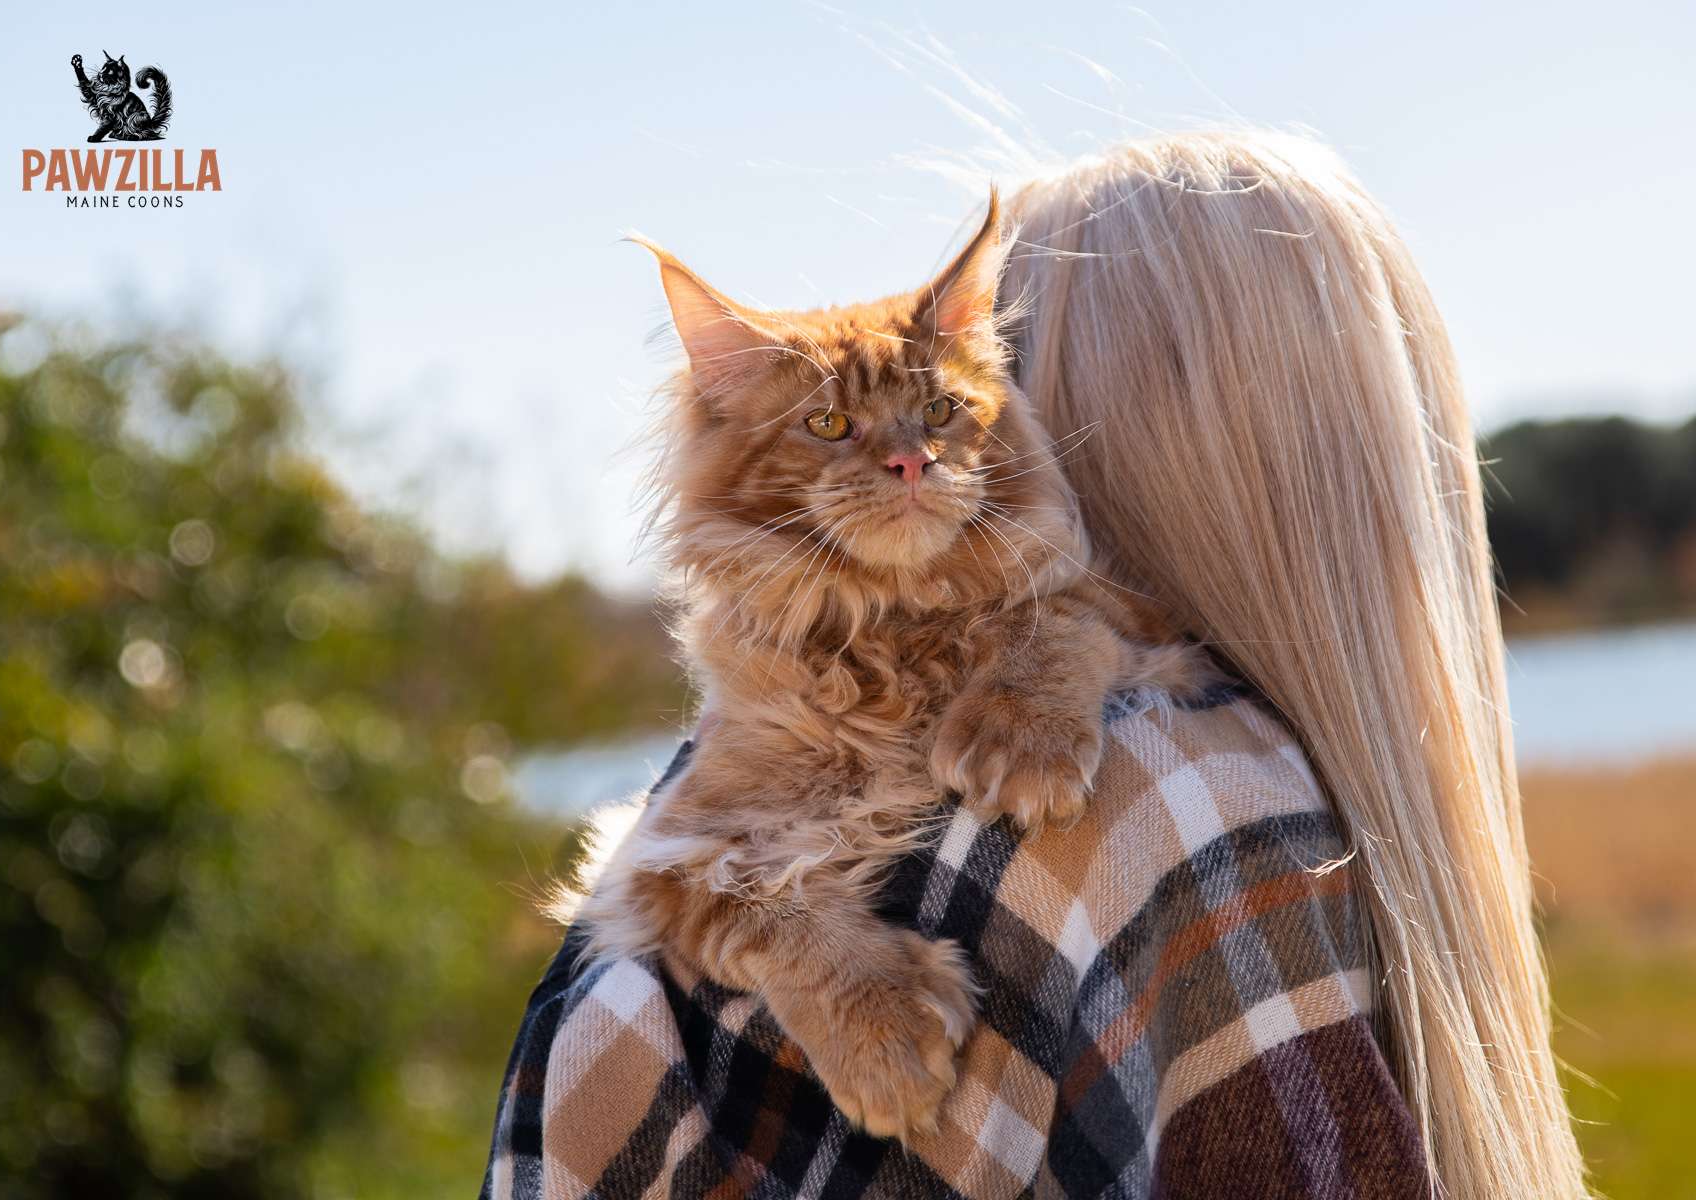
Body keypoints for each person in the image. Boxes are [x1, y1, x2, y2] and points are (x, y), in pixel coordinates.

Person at [479, 131, 1587, 1199]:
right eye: (833, 429)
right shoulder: (1189, 799)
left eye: (941, 419)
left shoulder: (708, 767)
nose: (904, 458)